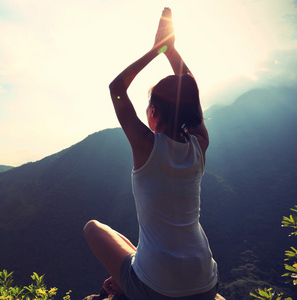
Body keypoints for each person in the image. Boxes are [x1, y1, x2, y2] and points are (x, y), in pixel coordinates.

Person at [83, 7, 219, 300]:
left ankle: (125, 285)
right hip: (206, 285)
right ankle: (128, 277)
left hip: (156, 290)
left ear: (154, 112)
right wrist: (172, 51)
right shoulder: (199, 145)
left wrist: (157, 50)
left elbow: (116, 88)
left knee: (93, 228)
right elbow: (191, 92)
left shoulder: (147, 145)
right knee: (133, 247)